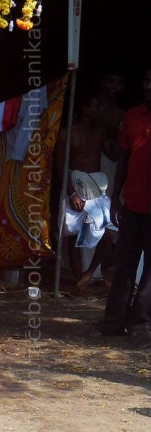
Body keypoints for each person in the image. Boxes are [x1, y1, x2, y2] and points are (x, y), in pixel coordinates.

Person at [96, 68, 151, 346]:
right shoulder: (132, 116)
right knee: (124, 264)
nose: (150, 87)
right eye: (147, 81)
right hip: (132, 204)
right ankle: (114, 319)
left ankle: (140, 322)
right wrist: (116, 196)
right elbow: (124, 159)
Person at [54, 93, 119, 291]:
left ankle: (88, 274)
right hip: (75, 186)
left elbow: (113, 154)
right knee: (72, 233)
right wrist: (72, 192)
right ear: (84, 108)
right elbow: (59, 165)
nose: (100, 111)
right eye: (96, 106)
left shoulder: (100, 132)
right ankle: (77, 280)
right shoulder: (68, 132)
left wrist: (120, 135)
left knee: (108, 233)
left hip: (96, 189)